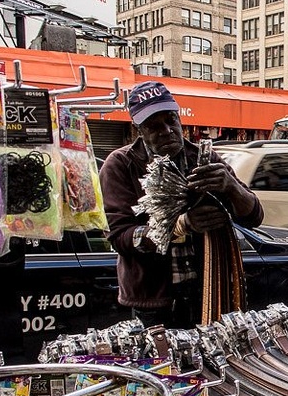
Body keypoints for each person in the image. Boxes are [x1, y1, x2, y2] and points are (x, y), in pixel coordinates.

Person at [100, 81, 263, 329]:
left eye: (171, 121)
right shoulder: (121, 165)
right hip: (154, 302)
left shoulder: (201, 157)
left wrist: (231, 186)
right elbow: (120, 236)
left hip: (207, 293)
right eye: (154, 127)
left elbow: (254, 217)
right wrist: (181, 226)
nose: (166, 131)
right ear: (139, 131)